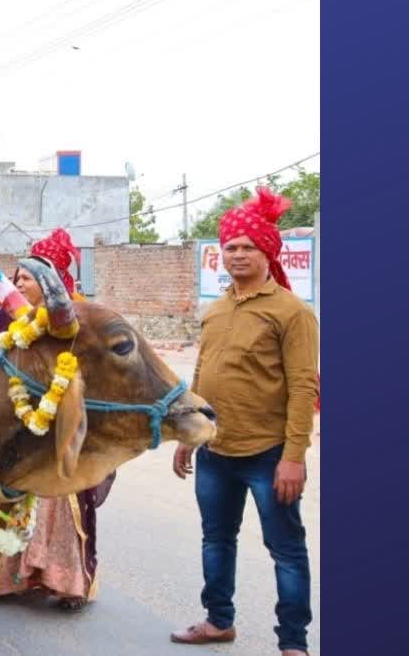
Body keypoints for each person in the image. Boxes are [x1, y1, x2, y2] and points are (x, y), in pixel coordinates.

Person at [170, 187, 317, 656]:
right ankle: (218, 621)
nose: (236, 254)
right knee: (216, 540)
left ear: (267, 251)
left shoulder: (291, 312)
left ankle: (293, 643)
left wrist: (294, 457)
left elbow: (303, 388)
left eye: (246, 246)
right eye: (230, 246)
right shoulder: (216, 309)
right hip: (215, 450)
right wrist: (187, 435)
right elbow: (201, 376)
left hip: (268, 455)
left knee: (286, 552)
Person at [0, 228, 113, 611]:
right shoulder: (10, 318)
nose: (18, 282)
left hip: (65, 425)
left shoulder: (79, 318)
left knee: (63, 504)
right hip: (20, 424)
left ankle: (67, 582)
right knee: (12, 500)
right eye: (17, 278)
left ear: (50, 281)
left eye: (27, 277)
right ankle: (14, 579)